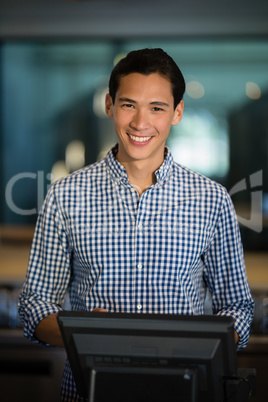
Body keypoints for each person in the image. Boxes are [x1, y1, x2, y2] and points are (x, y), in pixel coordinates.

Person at [18, 48, 254, 401]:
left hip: (186, 392)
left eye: (156, 108)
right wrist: (85, 333)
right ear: (110, 106)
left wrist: (202, 343)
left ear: (177, 112)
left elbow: (238, 307)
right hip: (89, 393)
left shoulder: (212, 199)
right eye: (129, 105)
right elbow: (34, 304)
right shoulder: (65, 195)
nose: (140, 123)